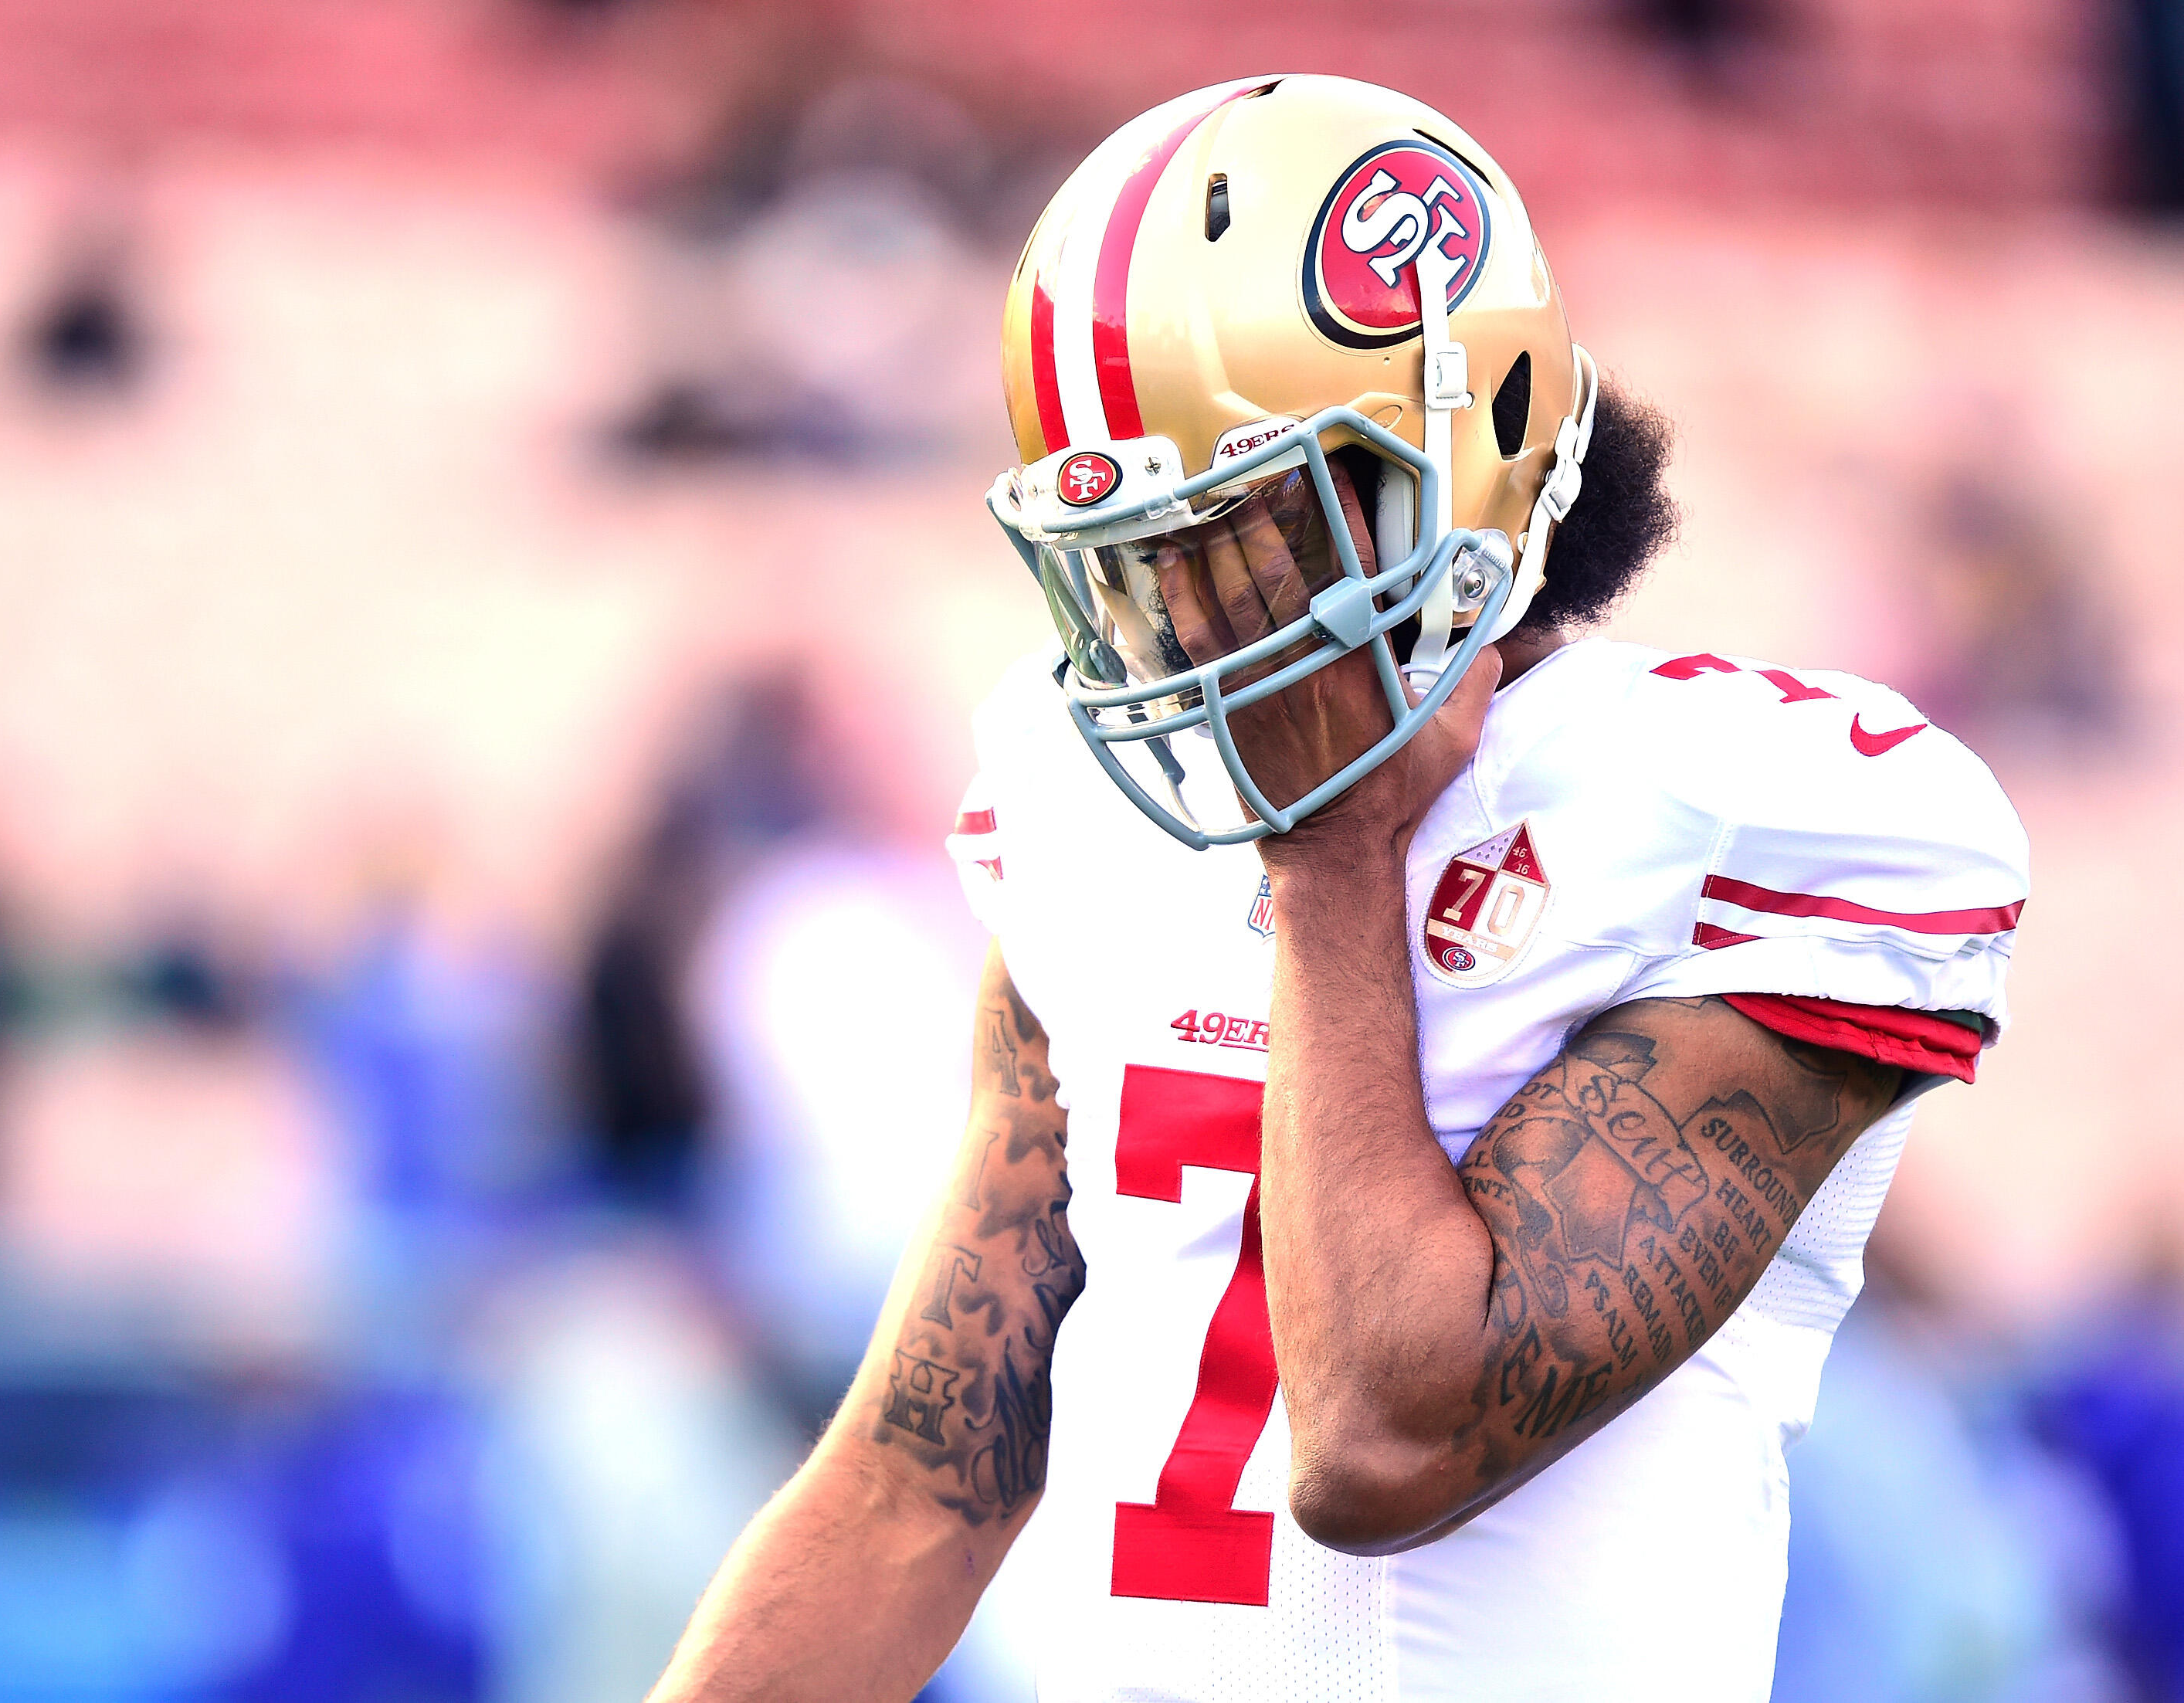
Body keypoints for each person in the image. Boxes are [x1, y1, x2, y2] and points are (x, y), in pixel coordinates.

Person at [646, 75, 2028, 1701]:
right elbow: (923, 1478)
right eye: (1139, 557)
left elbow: (1382, 1435)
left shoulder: (1752, 816)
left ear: (1460, 461)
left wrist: (1332, 857)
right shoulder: (1090, 799)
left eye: (1240, 536)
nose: (1188, 615)